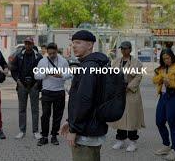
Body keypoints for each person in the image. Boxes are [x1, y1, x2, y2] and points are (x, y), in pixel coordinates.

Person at [60, 30, 109, 161]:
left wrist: (74, 129)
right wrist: (69, 121)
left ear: (90, 45)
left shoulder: (88, 67)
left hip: (85, 133)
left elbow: (84, 100)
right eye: (73, 43)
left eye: (78, 42)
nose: (74, 46)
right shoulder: (95, 64)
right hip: (91, 128)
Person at [152, 48, 175, 160]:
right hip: (163, 97)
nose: (166, 60)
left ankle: (174, 150)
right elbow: (154, 80)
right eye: (164, 59)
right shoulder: (161, 68)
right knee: (159, 122)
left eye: (168, 58)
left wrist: (172, 83)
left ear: (172, 56)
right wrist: (161, 76)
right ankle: (166, 145)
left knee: (172, 124)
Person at [109, 41, 145, 152]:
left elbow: (138, 77)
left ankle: (133, 141)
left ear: (130, 49)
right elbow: (111, 76)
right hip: (119, 94)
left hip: (131, 93)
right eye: (122, 49)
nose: (123, 51)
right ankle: (120, 139)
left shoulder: (137, 62)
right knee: (120, 117)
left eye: (125, 49)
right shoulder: (115, 61)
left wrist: (128, 87)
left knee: (132, 118)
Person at [35, 42, 71, 146]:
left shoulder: (63, 61)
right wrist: (45, 73)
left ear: (57, 51)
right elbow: (36, 75)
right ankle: (44, 136)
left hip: (59, 91)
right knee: (45, 115)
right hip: (46, 91)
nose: (51, 55)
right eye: (49, 53)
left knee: (57, 116)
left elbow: (69, 74)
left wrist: (61, 75)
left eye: (53, 53)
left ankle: (54, 136)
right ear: (47, 52)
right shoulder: (42, 61)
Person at [11, 37, 43, 139]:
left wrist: (38, 83)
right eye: (26, 43)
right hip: (22, 86)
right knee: (22, 109)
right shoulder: (19, 55)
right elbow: (13, 68)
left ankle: (35, 131)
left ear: (33, 44)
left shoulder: (38, 56)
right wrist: (18, 80)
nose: (28, 45)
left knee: (35, 109)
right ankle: (22, 130)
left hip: (34, 86)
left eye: (29, 43)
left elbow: (42, 70)